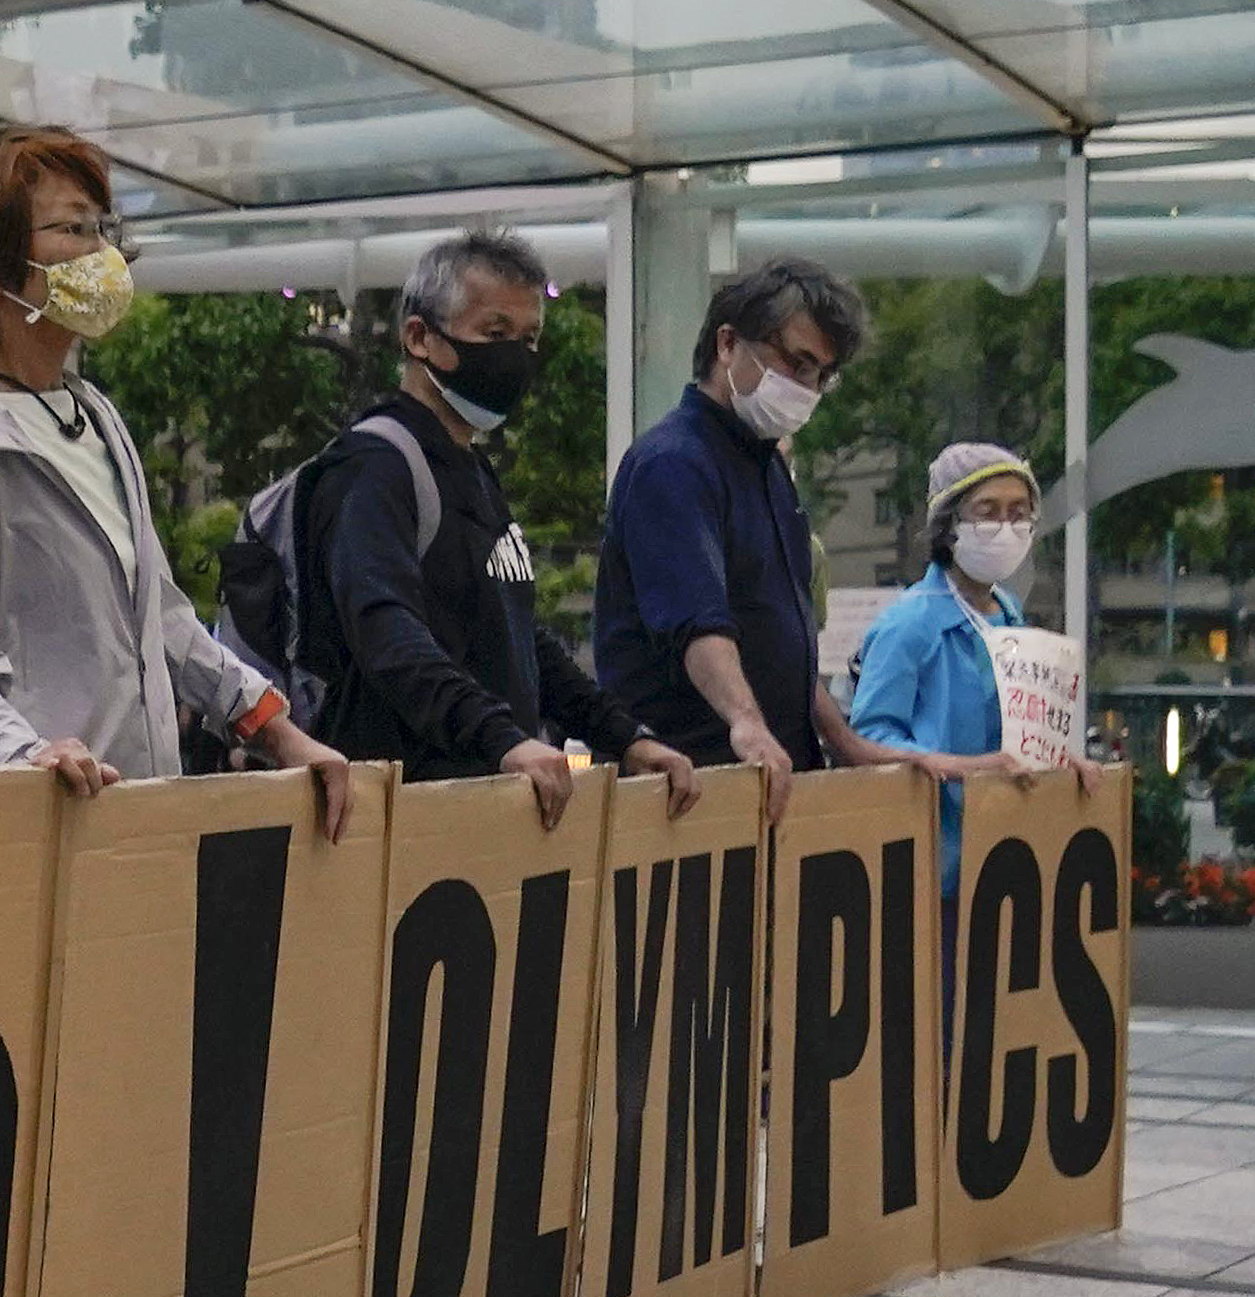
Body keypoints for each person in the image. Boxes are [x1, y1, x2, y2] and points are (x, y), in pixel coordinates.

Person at [0, 127, 354, 832]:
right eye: (72, 228)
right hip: (22, 834)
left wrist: (273, 726)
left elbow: (157, 616)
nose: (101, 253)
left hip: (131, 823)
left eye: (101, 228)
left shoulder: (94, 417)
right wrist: (26, 754)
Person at [300, 230, 697, 826]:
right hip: (401, 818)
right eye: (494, 334)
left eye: (528, 338)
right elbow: (385, 632)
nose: (515, 356)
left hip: (484, 811)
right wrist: (501, 738)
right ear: (419, 337)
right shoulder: (373, 467)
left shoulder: (472, 467)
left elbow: (516, 635)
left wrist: (626, 736)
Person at [595, 255, 906, 830]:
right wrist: (748, 722)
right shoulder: (673, 464)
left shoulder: (765, 469)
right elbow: (698, 622)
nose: (805, 387)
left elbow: (780, 636)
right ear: (727, 343)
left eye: (821, 375)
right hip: (689, 789)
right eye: (795, 362)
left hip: (767, 780)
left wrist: (842, 739)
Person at [847, 439, 1043, 886]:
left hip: (1006, 859)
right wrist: (957, 767)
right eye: (987, 511)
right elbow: (868, 739)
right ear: (948, 525)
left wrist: (1065, 767)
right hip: (931, 870)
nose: (1005, 526)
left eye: (1019, 512)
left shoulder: (1009, 615)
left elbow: (1025, 732)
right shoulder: (908, 625)